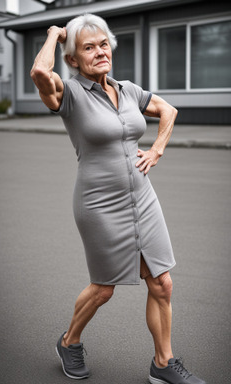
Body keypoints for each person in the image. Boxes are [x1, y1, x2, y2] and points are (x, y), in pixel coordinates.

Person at [31, 13, 206, 384]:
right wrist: (54, 34)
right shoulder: (70, 93)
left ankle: (163, 364)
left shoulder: (128, 90)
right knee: (103, 289)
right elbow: (39, 75)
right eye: (88, 48)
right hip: (99, 204)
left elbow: (168, 110)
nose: (100, 52)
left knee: (162, 283)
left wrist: (157, 149)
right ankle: (69, 341)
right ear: (74, 59)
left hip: (143, 198)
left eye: (104, 44)